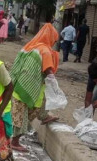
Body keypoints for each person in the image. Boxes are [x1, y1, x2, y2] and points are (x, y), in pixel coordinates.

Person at [9, 21, 60, 152]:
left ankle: (44, 117)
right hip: (29, 86)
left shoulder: (31, 46)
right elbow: (48, 69)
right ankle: (14, 142)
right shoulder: (45, 50)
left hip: (20, 84)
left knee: (25, 110)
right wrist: (54, 84)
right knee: (23, 115)